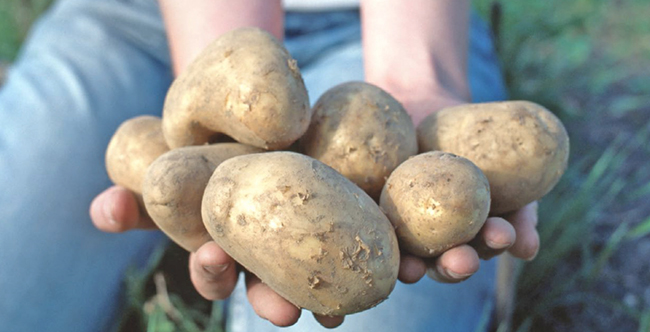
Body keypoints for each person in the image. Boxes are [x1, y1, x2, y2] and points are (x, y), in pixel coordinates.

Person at [0, 0, 539, 331]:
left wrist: (420, 83)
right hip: (128, 19)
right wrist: (225, 85)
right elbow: (249, 87)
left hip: (389, 31)